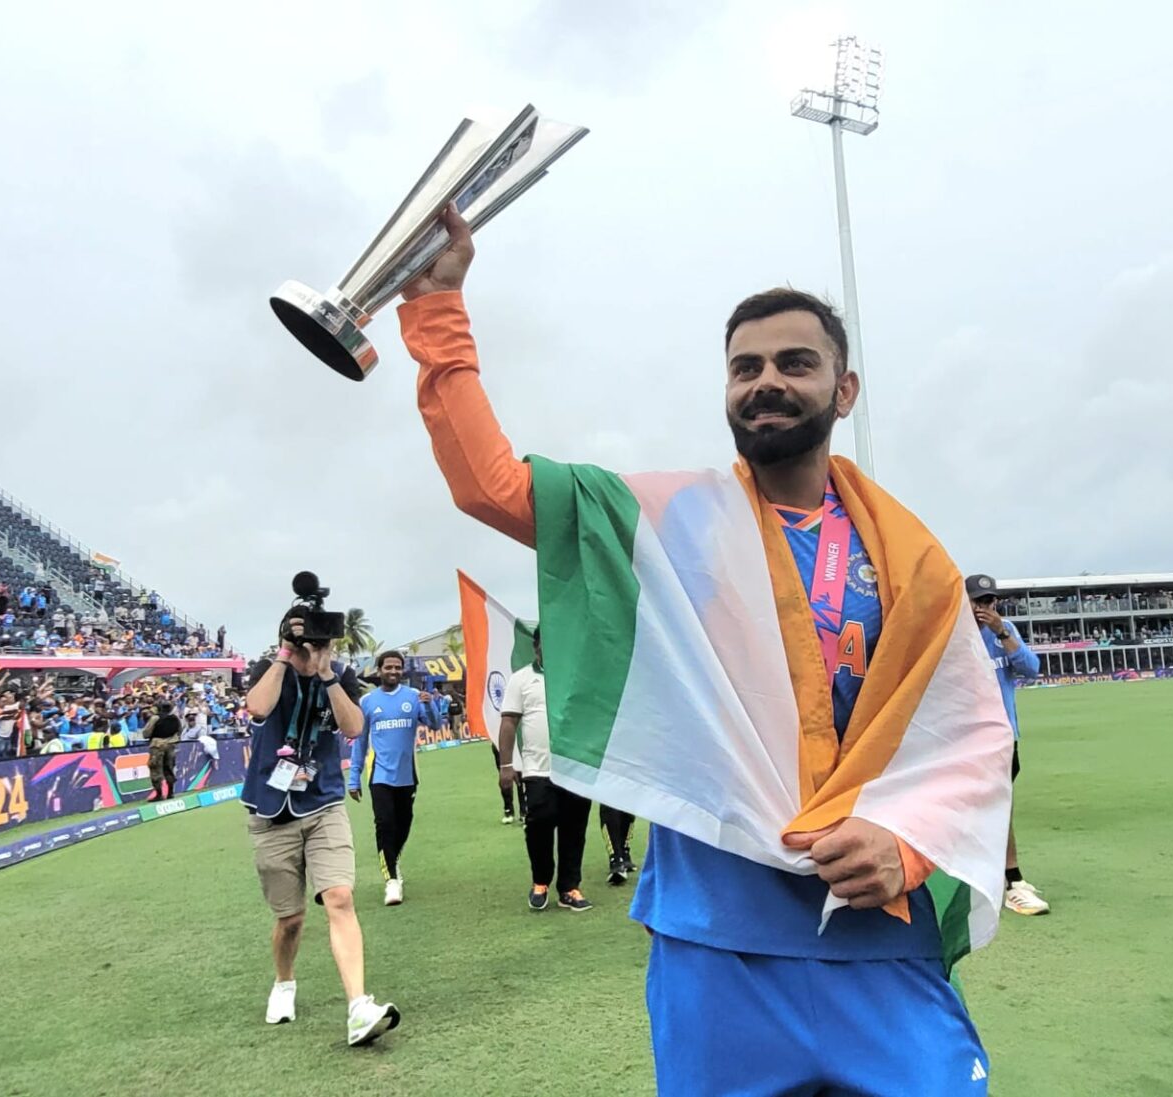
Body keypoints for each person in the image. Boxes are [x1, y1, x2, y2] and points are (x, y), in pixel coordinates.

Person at [399, 210, 1004, 1093]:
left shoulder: (913, 560)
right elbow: (491, 487)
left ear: (845, 390)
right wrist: (438, 308)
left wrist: (907, 846)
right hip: (718, 941)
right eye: (745, 367)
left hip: (878, 933)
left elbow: (972, 737)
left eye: (795, 363)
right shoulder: (673, 525)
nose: (767, 382)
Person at [242, 610, 400, 1046]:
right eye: (303, 638)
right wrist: (285, 655)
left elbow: (353, 727)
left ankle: (358, 1007)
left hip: (323, 802)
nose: (312, 645)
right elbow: (258, 707)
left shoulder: (341, 675)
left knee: (339, 897)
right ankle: (284, 981)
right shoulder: (268, 669)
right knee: (291, 919)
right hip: (271, 810)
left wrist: (327, 673)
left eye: (318, 638)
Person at [965, 574, 1048, 916]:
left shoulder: (1005, 630)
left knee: (1001, 806)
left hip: (1003, 735)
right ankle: (1004, 880)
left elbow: (1031, 669)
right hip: (968, 736)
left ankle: (1008, 879)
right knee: (978, 807)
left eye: (989, 601)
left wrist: (1001, 631)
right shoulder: (954, 634)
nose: (984, 607)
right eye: (977, 600)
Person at [498, 628, 593, 913]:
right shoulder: (521, 678)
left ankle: (569, 888)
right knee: (539, 824)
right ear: (536, 646)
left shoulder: (577, 675)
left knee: (574, 828)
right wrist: (506, 765)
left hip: (576, 768)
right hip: (537, 770)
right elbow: (509, 722)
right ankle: (540, 882)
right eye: (544, 643)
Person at [349, 651, 423, 906]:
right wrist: (354, 778)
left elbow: (435, 723)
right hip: (379, 774)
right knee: (385, 824)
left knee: (403, 824)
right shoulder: (368, 701)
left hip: (407, 775)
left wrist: (429, 704)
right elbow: (359, 741)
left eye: (397, 667)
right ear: (379, 670)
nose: (393, 671)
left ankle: (393, 859)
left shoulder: (413, 696)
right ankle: (391, 880)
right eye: (388, 667)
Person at [145, 702, 182, 800]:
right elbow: (180, 730)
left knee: (155, 769)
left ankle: (159, 794)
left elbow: (146, 733)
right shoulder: (175, 718)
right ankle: (170, 792)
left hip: (157, 746)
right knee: (169, 768)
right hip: (171, 745)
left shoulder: (155, 718)